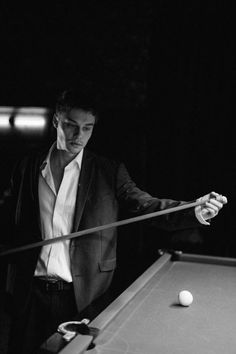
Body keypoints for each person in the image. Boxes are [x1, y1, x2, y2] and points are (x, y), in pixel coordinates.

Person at [0, 88, 227, 353]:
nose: (78, 136)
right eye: (71, 126)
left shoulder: (108, 171)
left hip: (81, 296)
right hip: (29, 294)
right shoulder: (28, 166)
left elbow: (147, 206)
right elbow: (10, 223)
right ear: (56, 122)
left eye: (87, 128)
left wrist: (194, 209)